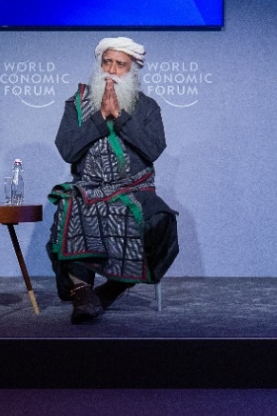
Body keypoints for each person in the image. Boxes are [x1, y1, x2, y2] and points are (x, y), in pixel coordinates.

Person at [47, 37, 179, 323]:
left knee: (160, 221)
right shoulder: (78, 104)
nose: (112, 69)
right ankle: (82, 291)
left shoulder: (147, 107)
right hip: (90, 187)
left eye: (121, 64)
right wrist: (100, 118)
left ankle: (116, 286)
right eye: (107, 62)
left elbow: (153, 149)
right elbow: (68, 150)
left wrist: (119, 116)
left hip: (135, 188)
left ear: (132, 70)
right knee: (70, 207)